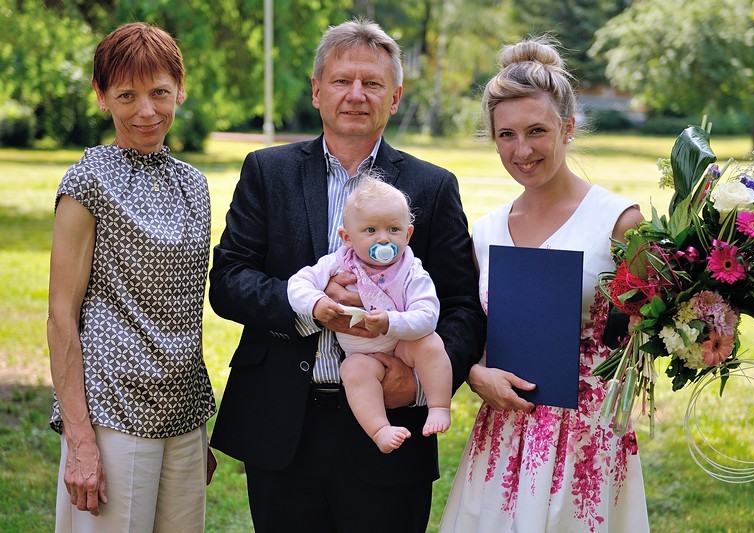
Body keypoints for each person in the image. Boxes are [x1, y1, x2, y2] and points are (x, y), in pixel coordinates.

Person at [208, 18, 485, 533]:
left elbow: (462, 307)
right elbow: (228, 280)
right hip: (283, 427)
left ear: (394, 97)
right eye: (341, 81)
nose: (356, 94)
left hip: (391, 428)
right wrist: (309, 308)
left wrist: (418, 383)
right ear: (317, 91)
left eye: (372, 83)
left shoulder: (432, 187)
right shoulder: (268, 172)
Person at [439, 37, 650, 532]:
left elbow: (652, 330)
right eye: (506, 135)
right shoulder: (486, 233)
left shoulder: (619, 222)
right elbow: (473, 331)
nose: (522, 150)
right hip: (503, 435)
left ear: (568, 127)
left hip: (587, 439)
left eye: (537, 131)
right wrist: (474, 373)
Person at [46, 22, 216, 532]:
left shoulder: (194, 184)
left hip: (183, 415)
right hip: (111, 415)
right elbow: (60, 316)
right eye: (127, 95)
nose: (146, 111)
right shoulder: (87, 181)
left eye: (159, 92)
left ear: (179, 90)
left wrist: (197, 430)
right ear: (102, 96)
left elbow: (184, 312)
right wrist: (80, 439)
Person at [287, 176, 453, 453]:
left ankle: (438, 407)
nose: (384, 238)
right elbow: (298, 283)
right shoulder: (338, 263)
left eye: (393, 229)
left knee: (430, 342)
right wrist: (316, 303)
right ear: (347, 237)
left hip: (403, 346)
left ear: (408, 234)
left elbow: (427, 315)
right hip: (362, 353)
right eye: (371, 230)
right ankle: (379, 429)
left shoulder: (411, 270)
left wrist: (390, 322)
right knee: (353, 370)